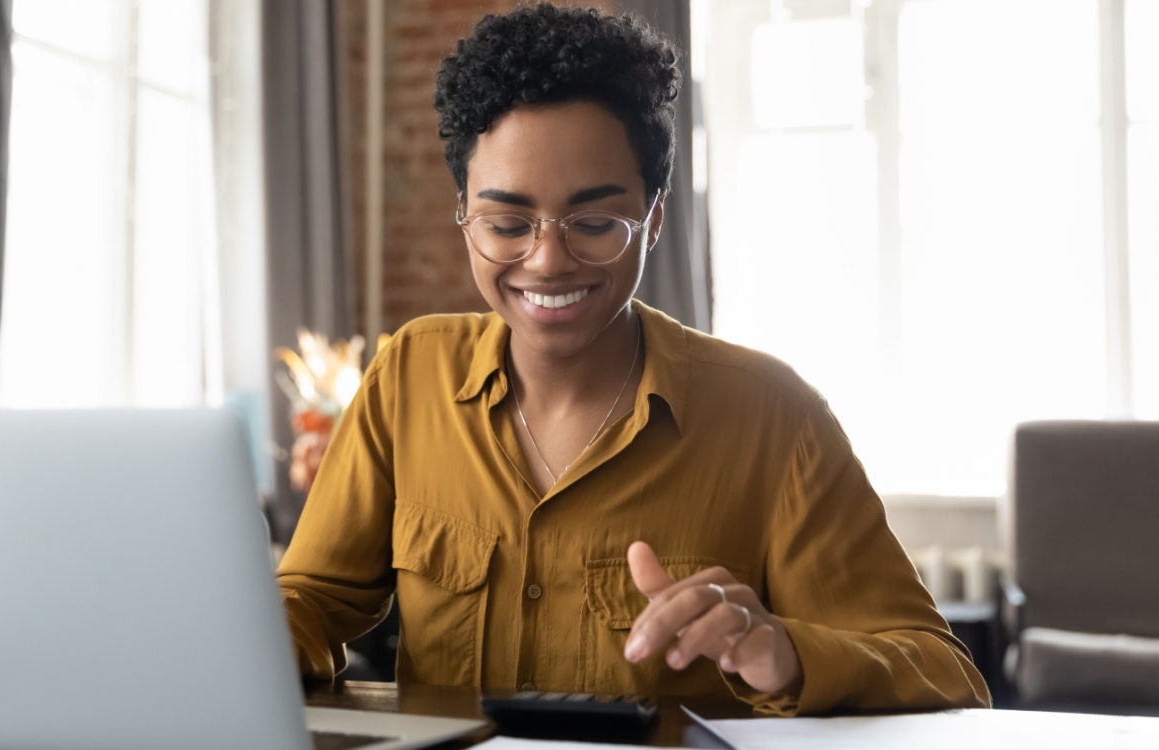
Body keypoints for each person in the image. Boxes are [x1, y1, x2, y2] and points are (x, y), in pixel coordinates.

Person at [277, 3, 990, 715]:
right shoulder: (409, 377)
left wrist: (785, 652)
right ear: (463, 213)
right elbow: (312, 599)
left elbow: (946, 673)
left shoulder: (774, 419)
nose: (548, 260)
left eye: (594, 222)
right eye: (506, 223)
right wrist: (253, 633)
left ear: (653, 217)